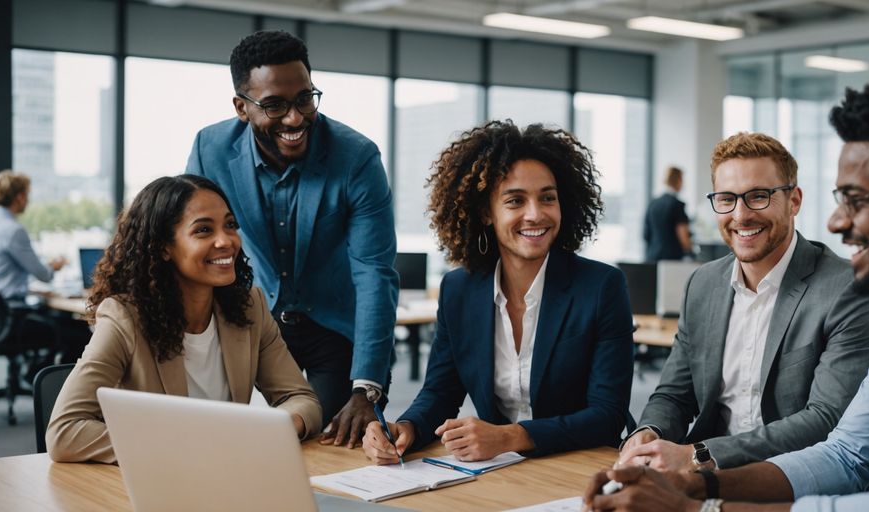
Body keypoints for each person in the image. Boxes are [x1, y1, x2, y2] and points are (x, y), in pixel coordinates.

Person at [584, 74, 869, 511]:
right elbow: (845, 455)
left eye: (856, 199)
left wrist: (701, 506)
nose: (836, 222)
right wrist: (698, 487)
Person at [362, 120, 635, 464]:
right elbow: (441, 391)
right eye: (515, 201)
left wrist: (510, 436)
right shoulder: (458, 290)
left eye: (547, 198)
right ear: (485, 212)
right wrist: (407, 428)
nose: (535, 214)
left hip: (579, 464)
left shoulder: (601, 287)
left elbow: (607, 414)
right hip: (499, 468)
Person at [618, 132, 869, 473]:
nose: (741, 215)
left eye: (759, 196)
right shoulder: (703, 284)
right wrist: (648, 432)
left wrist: (699, 454)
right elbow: (674, 393)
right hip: (700, 479)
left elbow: (826, 419)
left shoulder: (848, 290)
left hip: (793, 480)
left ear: (794, 201)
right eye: (727, 199)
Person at [186, 30, 398, 448]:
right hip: (252, 319)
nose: (295, 118)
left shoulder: (356, 158)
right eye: (274, 105)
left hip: (332, 325)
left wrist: (367, 389)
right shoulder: (210, 149)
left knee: (330, 443)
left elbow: (374, 272)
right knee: (216, 441)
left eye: (304, 98)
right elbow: (192, 243)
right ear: (241, 108)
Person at [46, 175, 321, 464]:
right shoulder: (125, 317)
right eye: (204, 230)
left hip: (228, 475)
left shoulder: (250, 307)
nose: (226, 241)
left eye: (230, 225)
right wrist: (183, 446)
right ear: (164, 247)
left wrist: (276, 427)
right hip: (155, 486)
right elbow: (65, 432)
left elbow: (301, 399)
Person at [0, 170, 66, 302]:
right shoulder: (14, 231)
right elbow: (43, 275)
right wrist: (54, 267)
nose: (28, 200)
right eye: (27, 194)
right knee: (67, 321)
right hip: (10, 308)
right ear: (19, 197)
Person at [643, 166, 693, 261]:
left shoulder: (653, 204)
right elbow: (683, 236)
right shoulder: (677, 205)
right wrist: (691, 253)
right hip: (671, 260)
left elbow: (646, 234)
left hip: (652, 257)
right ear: (678, 180)